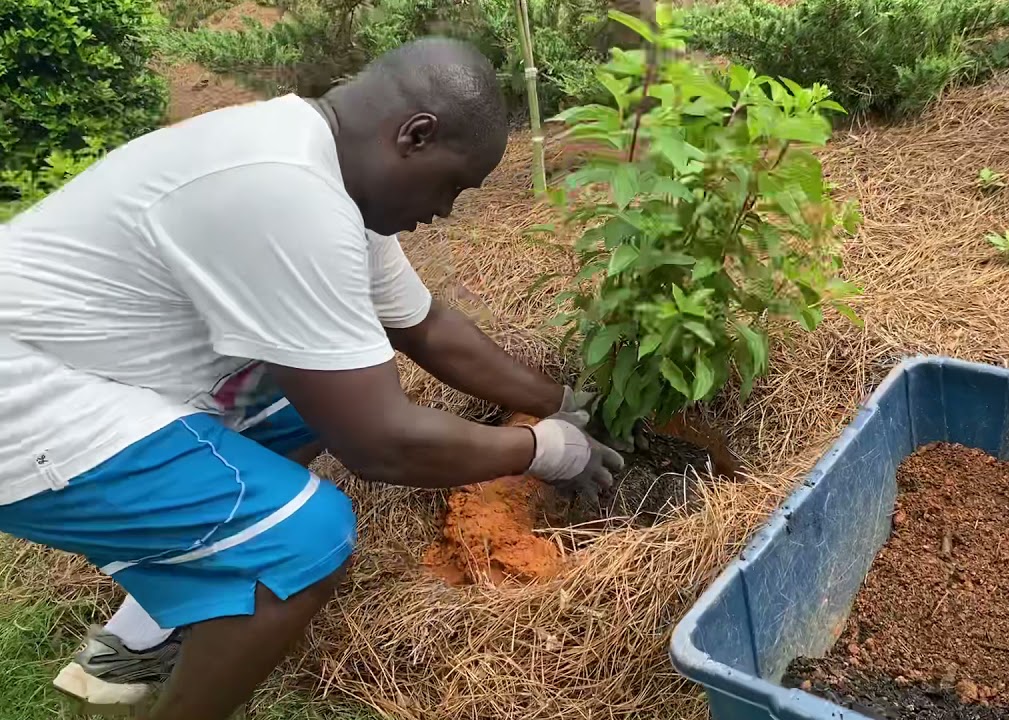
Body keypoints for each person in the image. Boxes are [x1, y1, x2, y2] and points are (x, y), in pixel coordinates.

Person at [0, 37, 622, 720]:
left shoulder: (316, 165)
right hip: (29, 401)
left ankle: (140, 634)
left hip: (103, 372)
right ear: (415, 135)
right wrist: (548, 450)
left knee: (308, 399)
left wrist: (562, 402)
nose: (445, 212)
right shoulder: (286, 190)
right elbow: (382, 446)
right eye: (452, 186)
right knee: (304, 536)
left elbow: (427, 328)